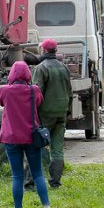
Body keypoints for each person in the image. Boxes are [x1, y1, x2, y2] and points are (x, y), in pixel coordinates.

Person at [0, 61, 56, 208]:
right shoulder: (33, 90)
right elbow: (39, 101)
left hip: (11, 138)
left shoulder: (5, 91)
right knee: (37, 174)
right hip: (31, 137)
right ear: (28, 74)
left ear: (12, 75)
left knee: (17, 176)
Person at [32, 38, 73, 188]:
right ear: (55, 51)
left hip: (45, 113)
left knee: (37, 146)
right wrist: (67, 110)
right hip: (61, 112)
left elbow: (37, 93)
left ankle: (30, 182)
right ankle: (55, 181)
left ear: (43, 50)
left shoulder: (41, 68)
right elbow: (70, 91)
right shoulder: (64, 67)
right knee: (57, 148)